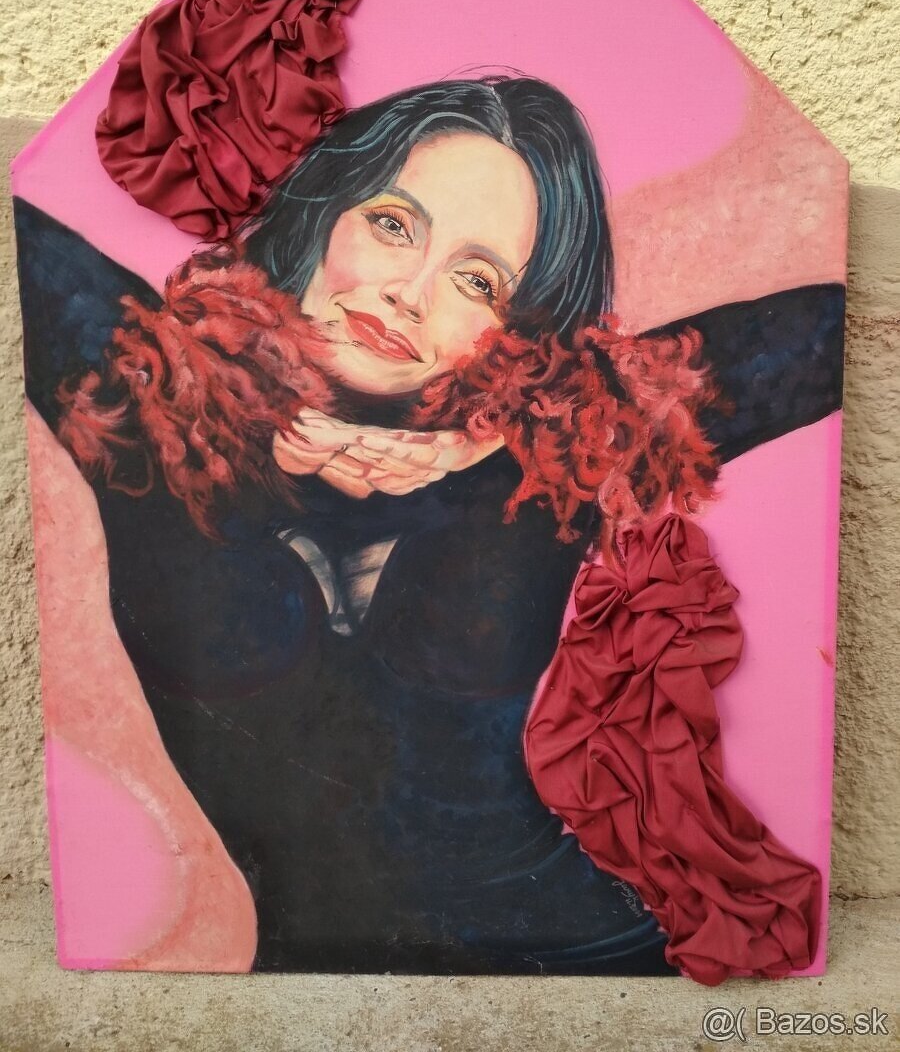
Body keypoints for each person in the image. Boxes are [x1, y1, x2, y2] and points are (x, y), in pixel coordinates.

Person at [16, 76, 844, 974]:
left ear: (518, 328)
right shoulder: (148, 396)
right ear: (326, 211)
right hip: (311, 998)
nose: (411, 293)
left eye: (477, 279)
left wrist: (495, 435)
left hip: (594, 975)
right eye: (392, 225)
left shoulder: (560, 445)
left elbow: (822, 330)